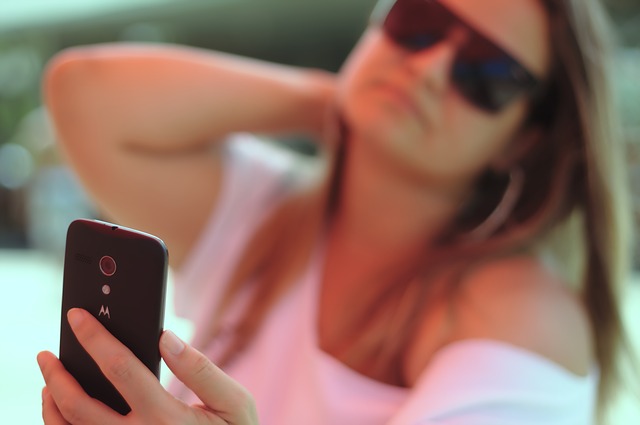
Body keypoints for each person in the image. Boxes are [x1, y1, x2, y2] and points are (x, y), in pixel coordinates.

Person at [37, 0, 635, 423]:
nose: (428, 71)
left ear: (522, 139)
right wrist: (342, 100)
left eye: (487, 74)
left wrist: (373, 102)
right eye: (418, 20)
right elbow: (84, 94)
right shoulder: (270, 209)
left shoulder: (522, 314)